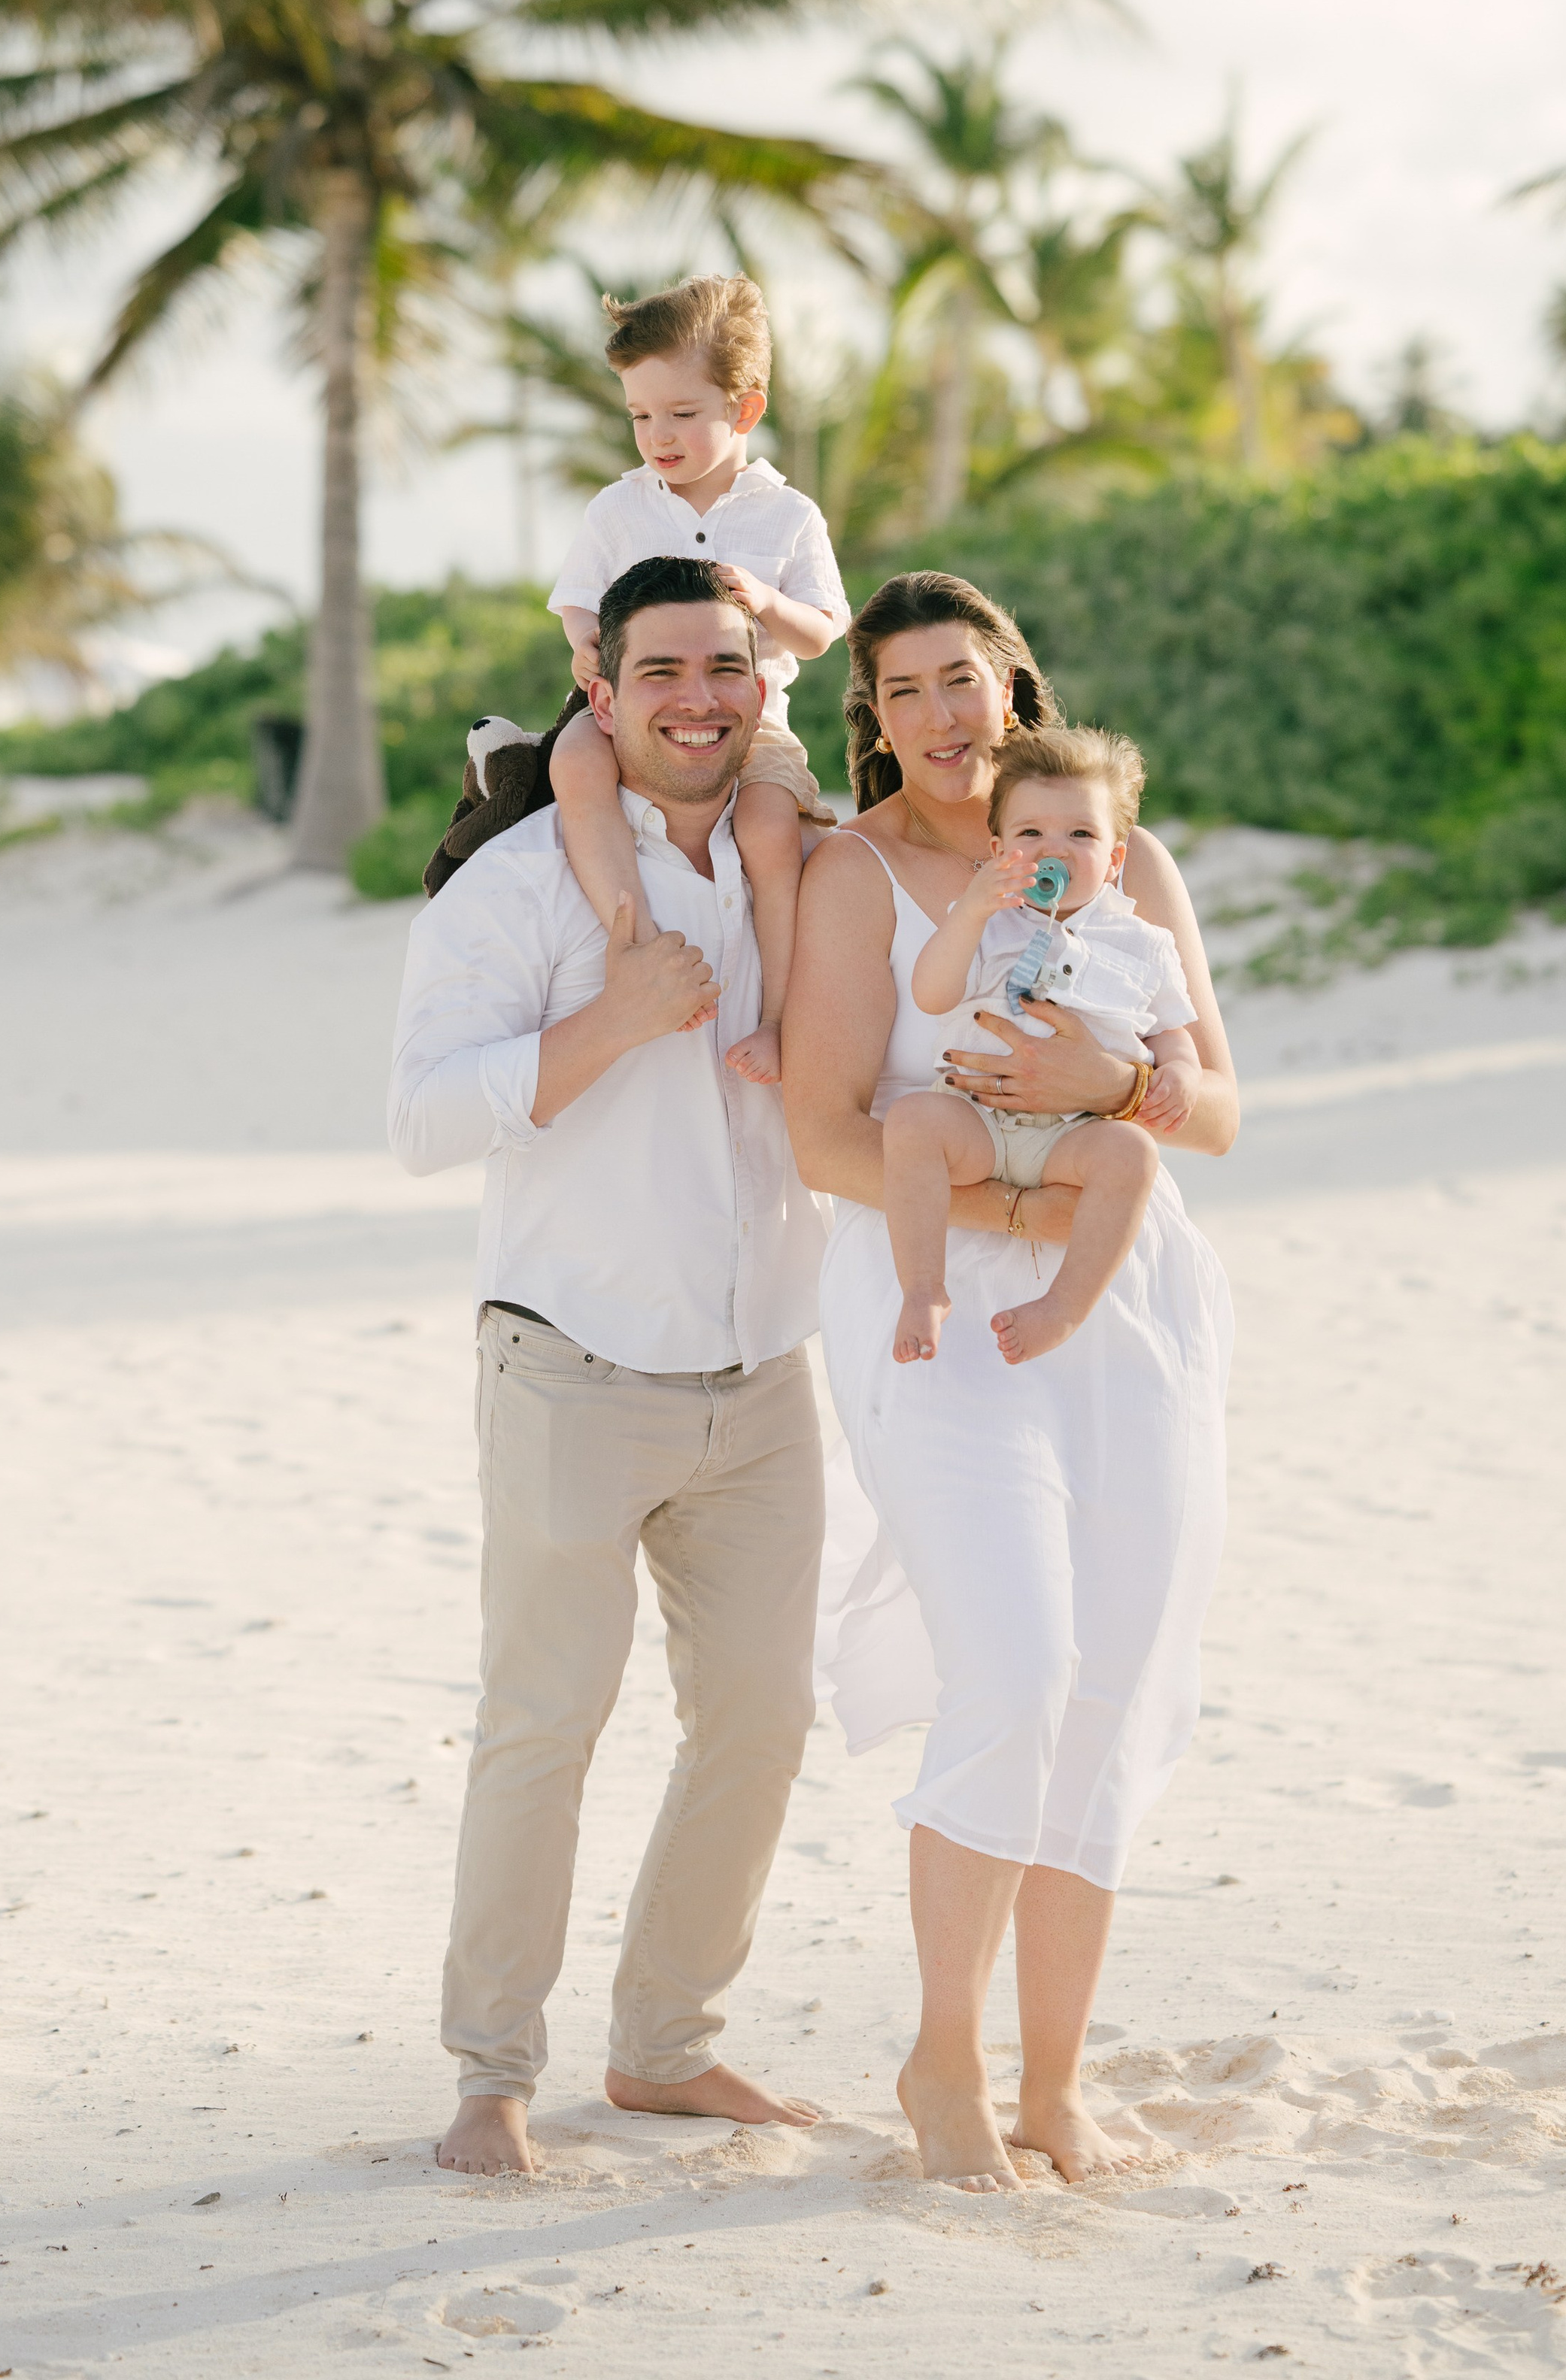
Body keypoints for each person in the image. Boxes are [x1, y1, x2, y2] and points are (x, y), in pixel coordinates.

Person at [784, 571, 1237, 2196]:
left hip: (1125, 1304)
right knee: (1018, 1665)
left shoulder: (1124, 859)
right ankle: (942, 2056)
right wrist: (1019, 1198)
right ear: (874, 720)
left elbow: (1213, 1110)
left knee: (1113, 1681)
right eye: (899, 691)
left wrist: (1108, 1086)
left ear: (1011, 682)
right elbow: (825, 1126)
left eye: (960, 678)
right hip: (942, 1300)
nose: (937, 715)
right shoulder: (856, 877)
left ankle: (1055, 2082)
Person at [388, 554, 828, 2180]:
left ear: (759, 681)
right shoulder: (519, 885)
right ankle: (490, 2072)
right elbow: (422, 1120)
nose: (697, 698)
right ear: (602, 687)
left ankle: (664, 2049)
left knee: (763, 1723)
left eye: (725, 666)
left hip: (762, 1374)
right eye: (661, 671)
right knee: (542, 1726)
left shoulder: (803, 862)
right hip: (570, 1368)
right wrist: (615, 1019)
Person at [546, 274, 848, 1088]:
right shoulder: (619, 509)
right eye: (640, 416)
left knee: (767, 831)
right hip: (626, 713)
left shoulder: (787, 517)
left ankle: (781, 1014)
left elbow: (823, 633)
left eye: (681, 414)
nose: (657, 436)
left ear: (743, 410)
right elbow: (577, 608)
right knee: (573, 764)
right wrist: (586, 650)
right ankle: (633, 943)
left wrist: (768, 603)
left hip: (752, 724)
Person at [885, 724, 1202, 1368]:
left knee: (1133, 1154)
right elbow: (930, 992)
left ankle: (1065, 1306)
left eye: (1081, 835)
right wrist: (970, 912)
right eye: (1031, 834)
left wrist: (1182, 1072)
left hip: (1072, 1136)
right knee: (912, 1122)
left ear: (1115, 858)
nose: (1053, 850)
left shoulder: (1141, 942)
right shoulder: (985, 923)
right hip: (976, 1121)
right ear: (999, 849)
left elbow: (1171, 1028)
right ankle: (924, 1289)